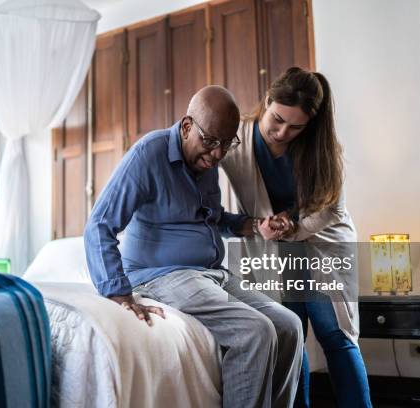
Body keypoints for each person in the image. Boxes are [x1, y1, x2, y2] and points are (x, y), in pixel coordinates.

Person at [84, 85, 303, 408]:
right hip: (161, 275)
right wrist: (119, 292)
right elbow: (99, 225)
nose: (216, 154)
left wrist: (254, 225)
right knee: (254, 333)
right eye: (210, 142)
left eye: (226, 144)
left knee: (288, 326)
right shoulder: (148, 155)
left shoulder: (206, 164)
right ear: (187, 127)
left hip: (210, 272)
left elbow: (213, 219)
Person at [221, 67, 372, 408]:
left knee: (335, 334)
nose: (283, 132)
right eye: (277, 120)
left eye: (296, 127)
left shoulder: (321, 148)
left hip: (323, 242)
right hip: (271, 248)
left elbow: (331, 209)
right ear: (267, 100)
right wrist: (253, 225)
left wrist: (293, 225)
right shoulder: (237, 139)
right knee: (289, 336)